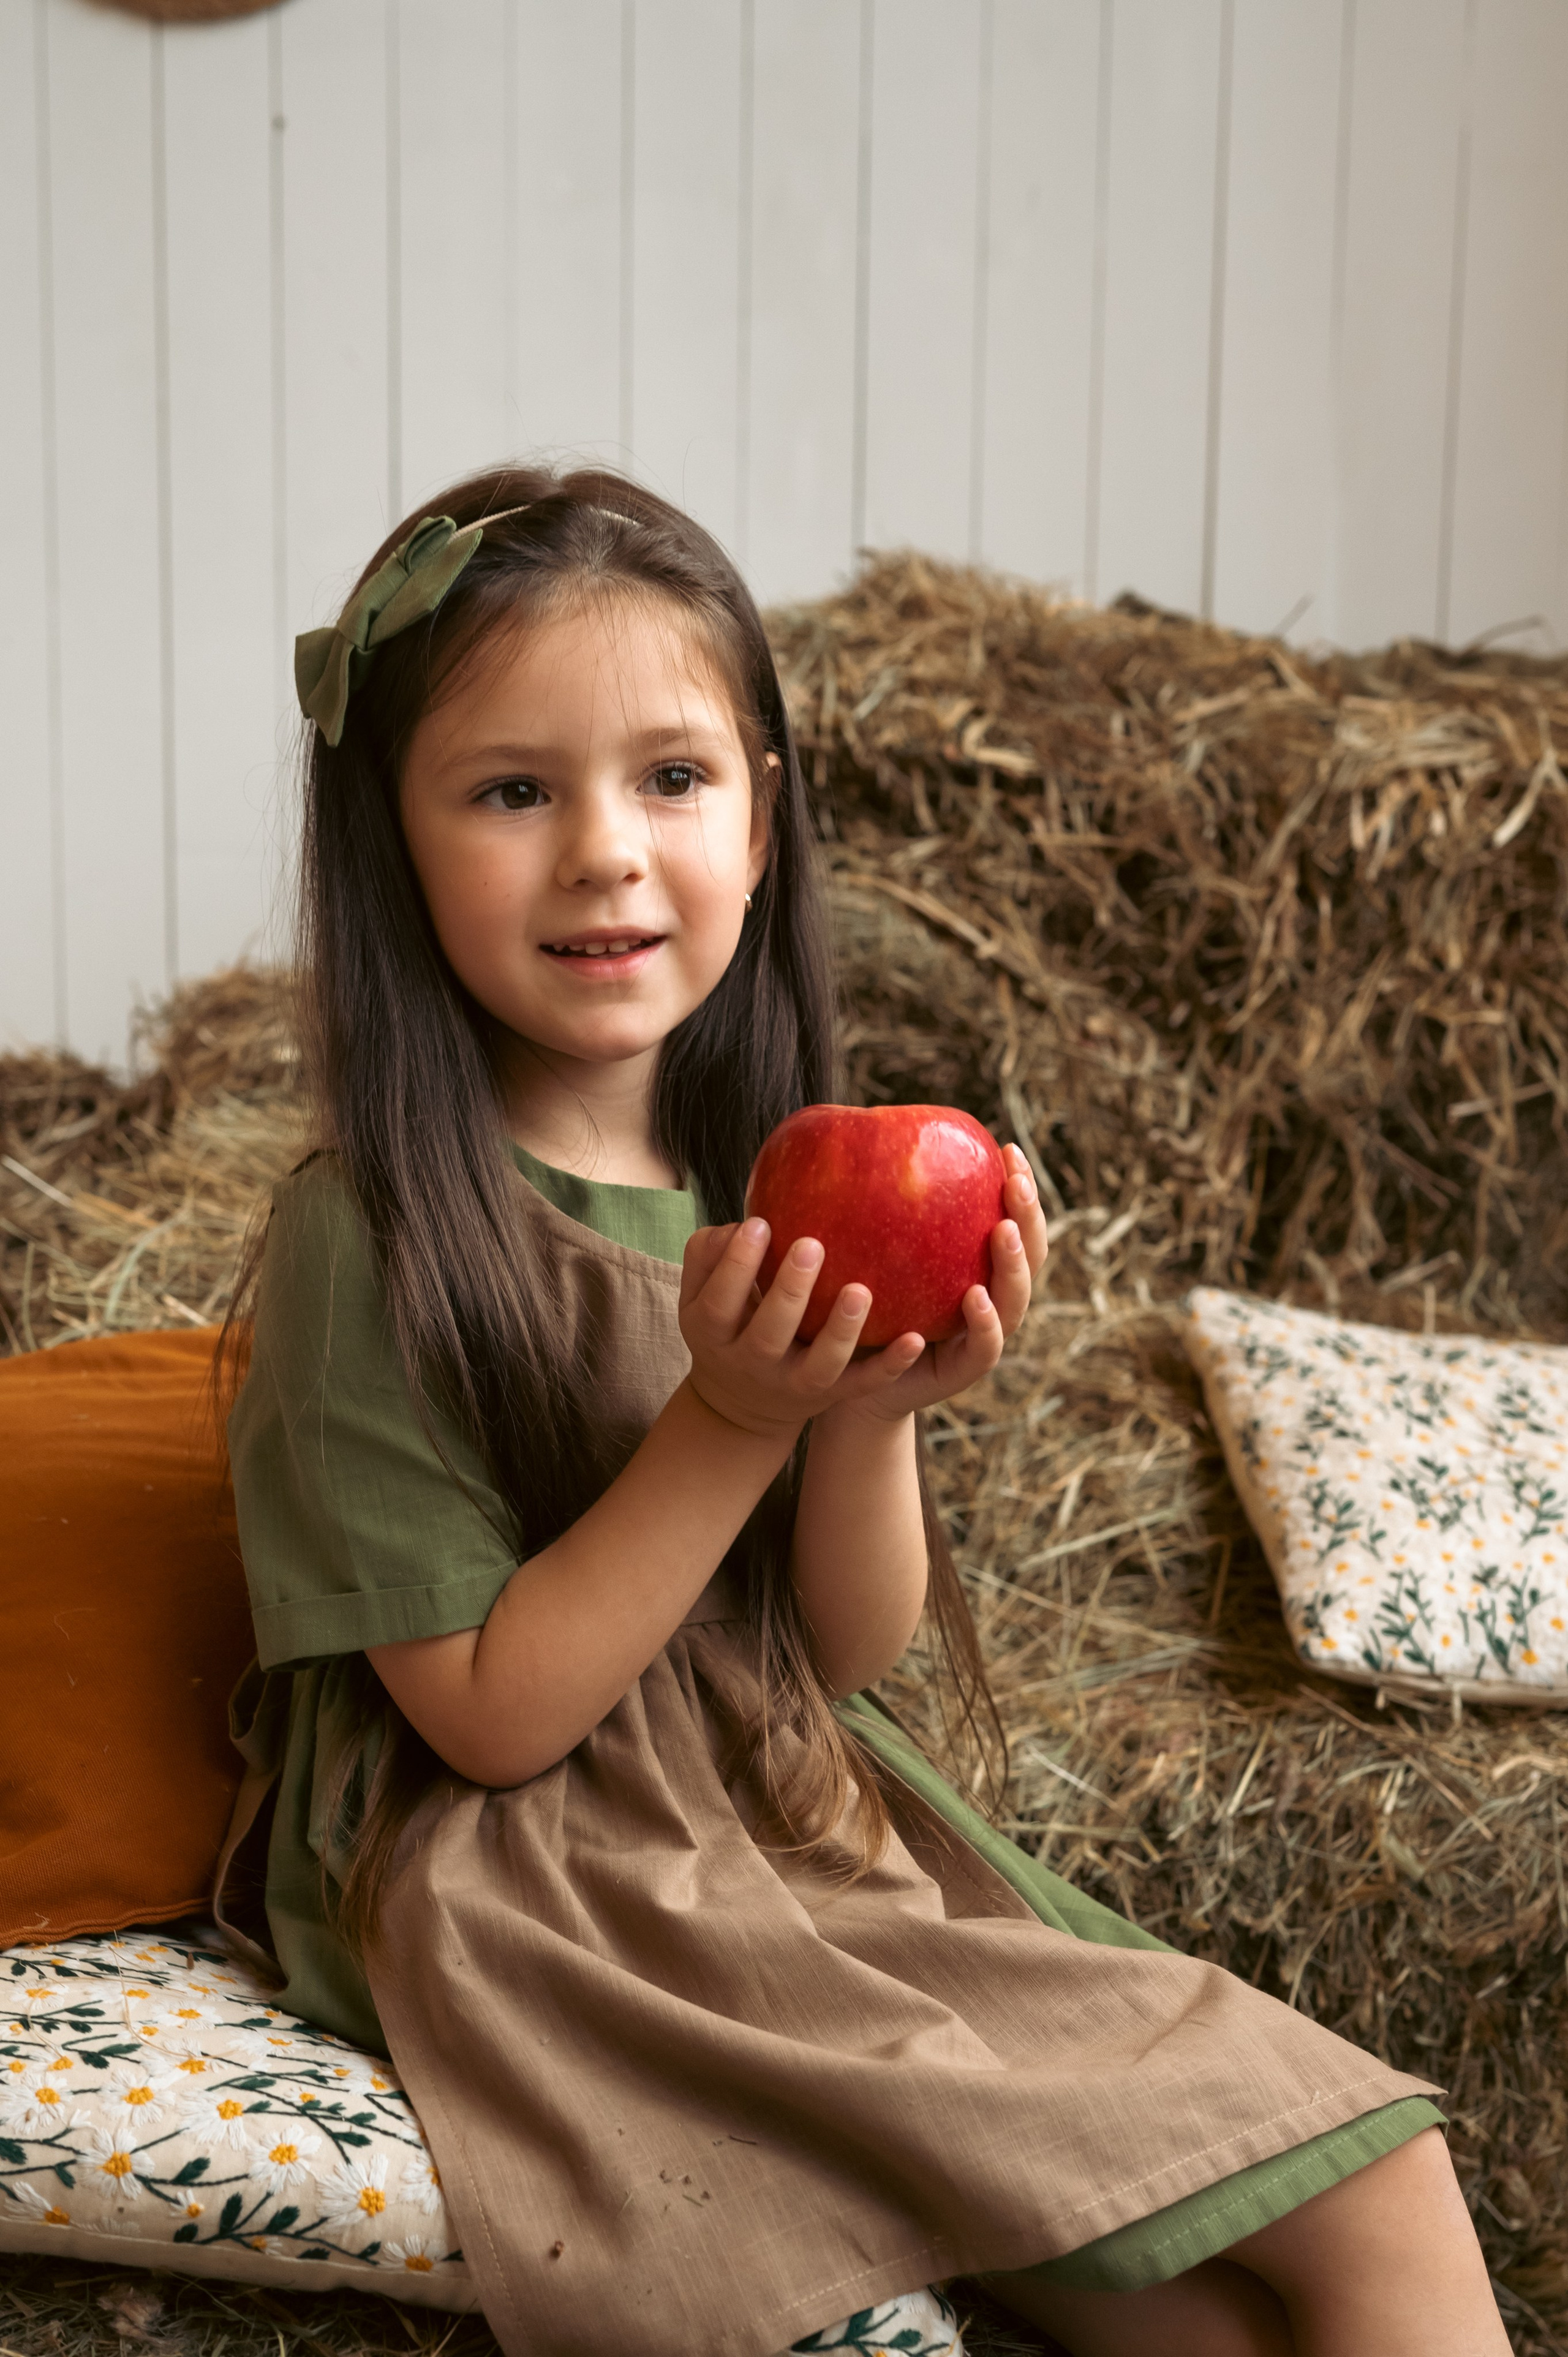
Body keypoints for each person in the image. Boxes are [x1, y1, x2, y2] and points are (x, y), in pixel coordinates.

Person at [221, 466, 1507, 2357]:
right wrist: (735, 1422)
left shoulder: (765, 1175)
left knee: (1218, 2321)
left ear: (762, 818)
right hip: (553, 1892)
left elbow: (838, 1651)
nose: (605, 851)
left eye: (675, 778)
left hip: (775, 1815)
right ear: (392, 839)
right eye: (513, 789)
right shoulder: (379, 1229)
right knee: (1380, 2182)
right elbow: (491, 1723)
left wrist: (877, 1413)